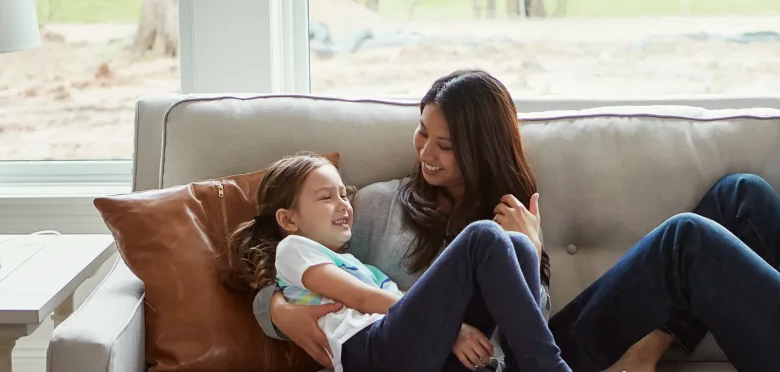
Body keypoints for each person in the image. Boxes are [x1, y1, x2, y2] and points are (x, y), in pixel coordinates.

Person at [254, 69, 780, 372]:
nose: (427, 154)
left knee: (737, 198)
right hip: (455, 362)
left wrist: (531, 252)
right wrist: (277, 311)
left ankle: (647, 351)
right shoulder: (375, 206)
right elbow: (292, 257)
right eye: (423, 134)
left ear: (482, 149)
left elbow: (530, 324)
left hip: (528, 352)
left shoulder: (511, 212)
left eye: (446, 145)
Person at [232, 154, 568, 372]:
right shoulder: (295, 249)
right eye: (325, 197)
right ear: (288, 220)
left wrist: (448, 329)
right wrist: (451, 326)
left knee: (519, 245)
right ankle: (546, 366)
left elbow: (408, 299)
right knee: (483, 236)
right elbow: (362, 299)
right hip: (368, 352)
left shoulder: (358, 264)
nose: (344, 204)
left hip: (405, 349)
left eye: (344, 194)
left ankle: (522, 364)